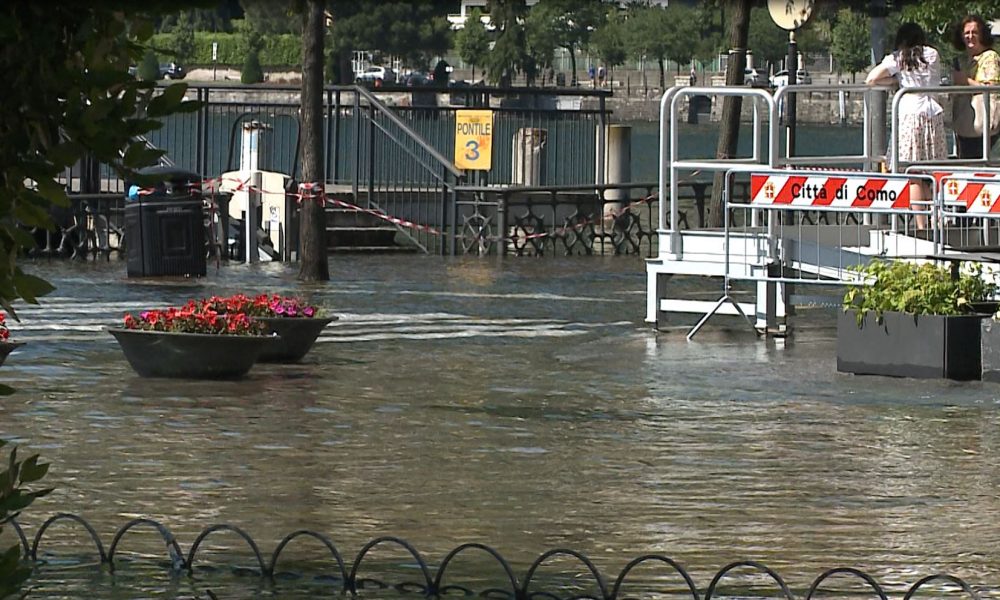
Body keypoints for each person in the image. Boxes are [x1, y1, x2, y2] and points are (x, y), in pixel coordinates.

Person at [866, 22, 946, 229]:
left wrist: (894, 82)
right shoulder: (933, 55)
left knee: (912, 175)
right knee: (932, 173)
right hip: (933, 115)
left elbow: (872, 78)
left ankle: (921, 226)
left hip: (910, 116)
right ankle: (937, 220)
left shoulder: (898, 57)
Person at [951, 14, 1000, 158]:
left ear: (982, 35)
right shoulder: (965, 60)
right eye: (966, 33)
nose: (970, 36)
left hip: (983, 127)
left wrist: (964, 81)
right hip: (965, 125)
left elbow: (991, 88)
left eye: (974, 32)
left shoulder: (990, 57)